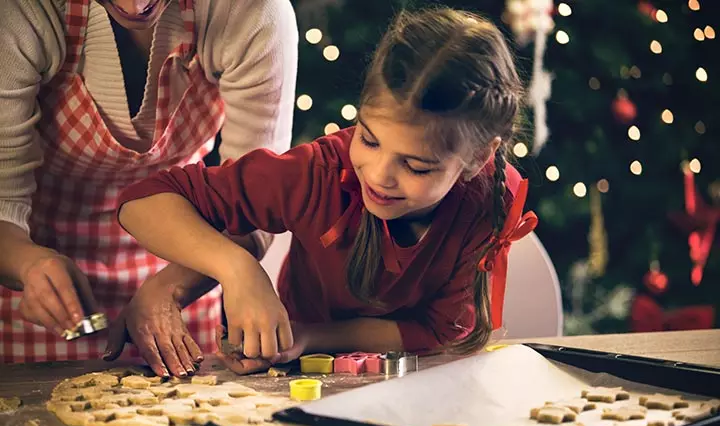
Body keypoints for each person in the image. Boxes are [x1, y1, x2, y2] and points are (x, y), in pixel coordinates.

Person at [117, 7, 538, 376]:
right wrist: (236, 266)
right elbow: (144, 200)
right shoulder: (317, 174)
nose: (378, 175)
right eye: (369, 140)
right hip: (299, 382)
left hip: (423, 381)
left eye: (415, 165)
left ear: (479, 156)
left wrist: (309, 337)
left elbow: (439, 329)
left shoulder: (489, 203)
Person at [0, 0, 298, 377]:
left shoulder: (250, 11)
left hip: (190, 266)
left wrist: (175, 286)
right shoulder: (19, 11)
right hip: (35, 287)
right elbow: (2, 203)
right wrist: (29, 265)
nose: (136, 5)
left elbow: (256, 205)